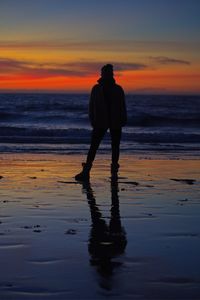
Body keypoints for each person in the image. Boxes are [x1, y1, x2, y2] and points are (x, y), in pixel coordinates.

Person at [75, 64, 127, 181]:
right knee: (94, 146)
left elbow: (122, 106)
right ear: (102, 74)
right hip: (100, 121)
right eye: (105, 72)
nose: (108, 74)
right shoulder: (96, 89)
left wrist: (123, 118)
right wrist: (92, 119)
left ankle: (114, 173)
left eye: (110, 72)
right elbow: (91, 106)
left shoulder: (118, 89)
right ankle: (86, 171)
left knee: (115, 147)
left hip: (115, 120)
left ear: (112, 74)